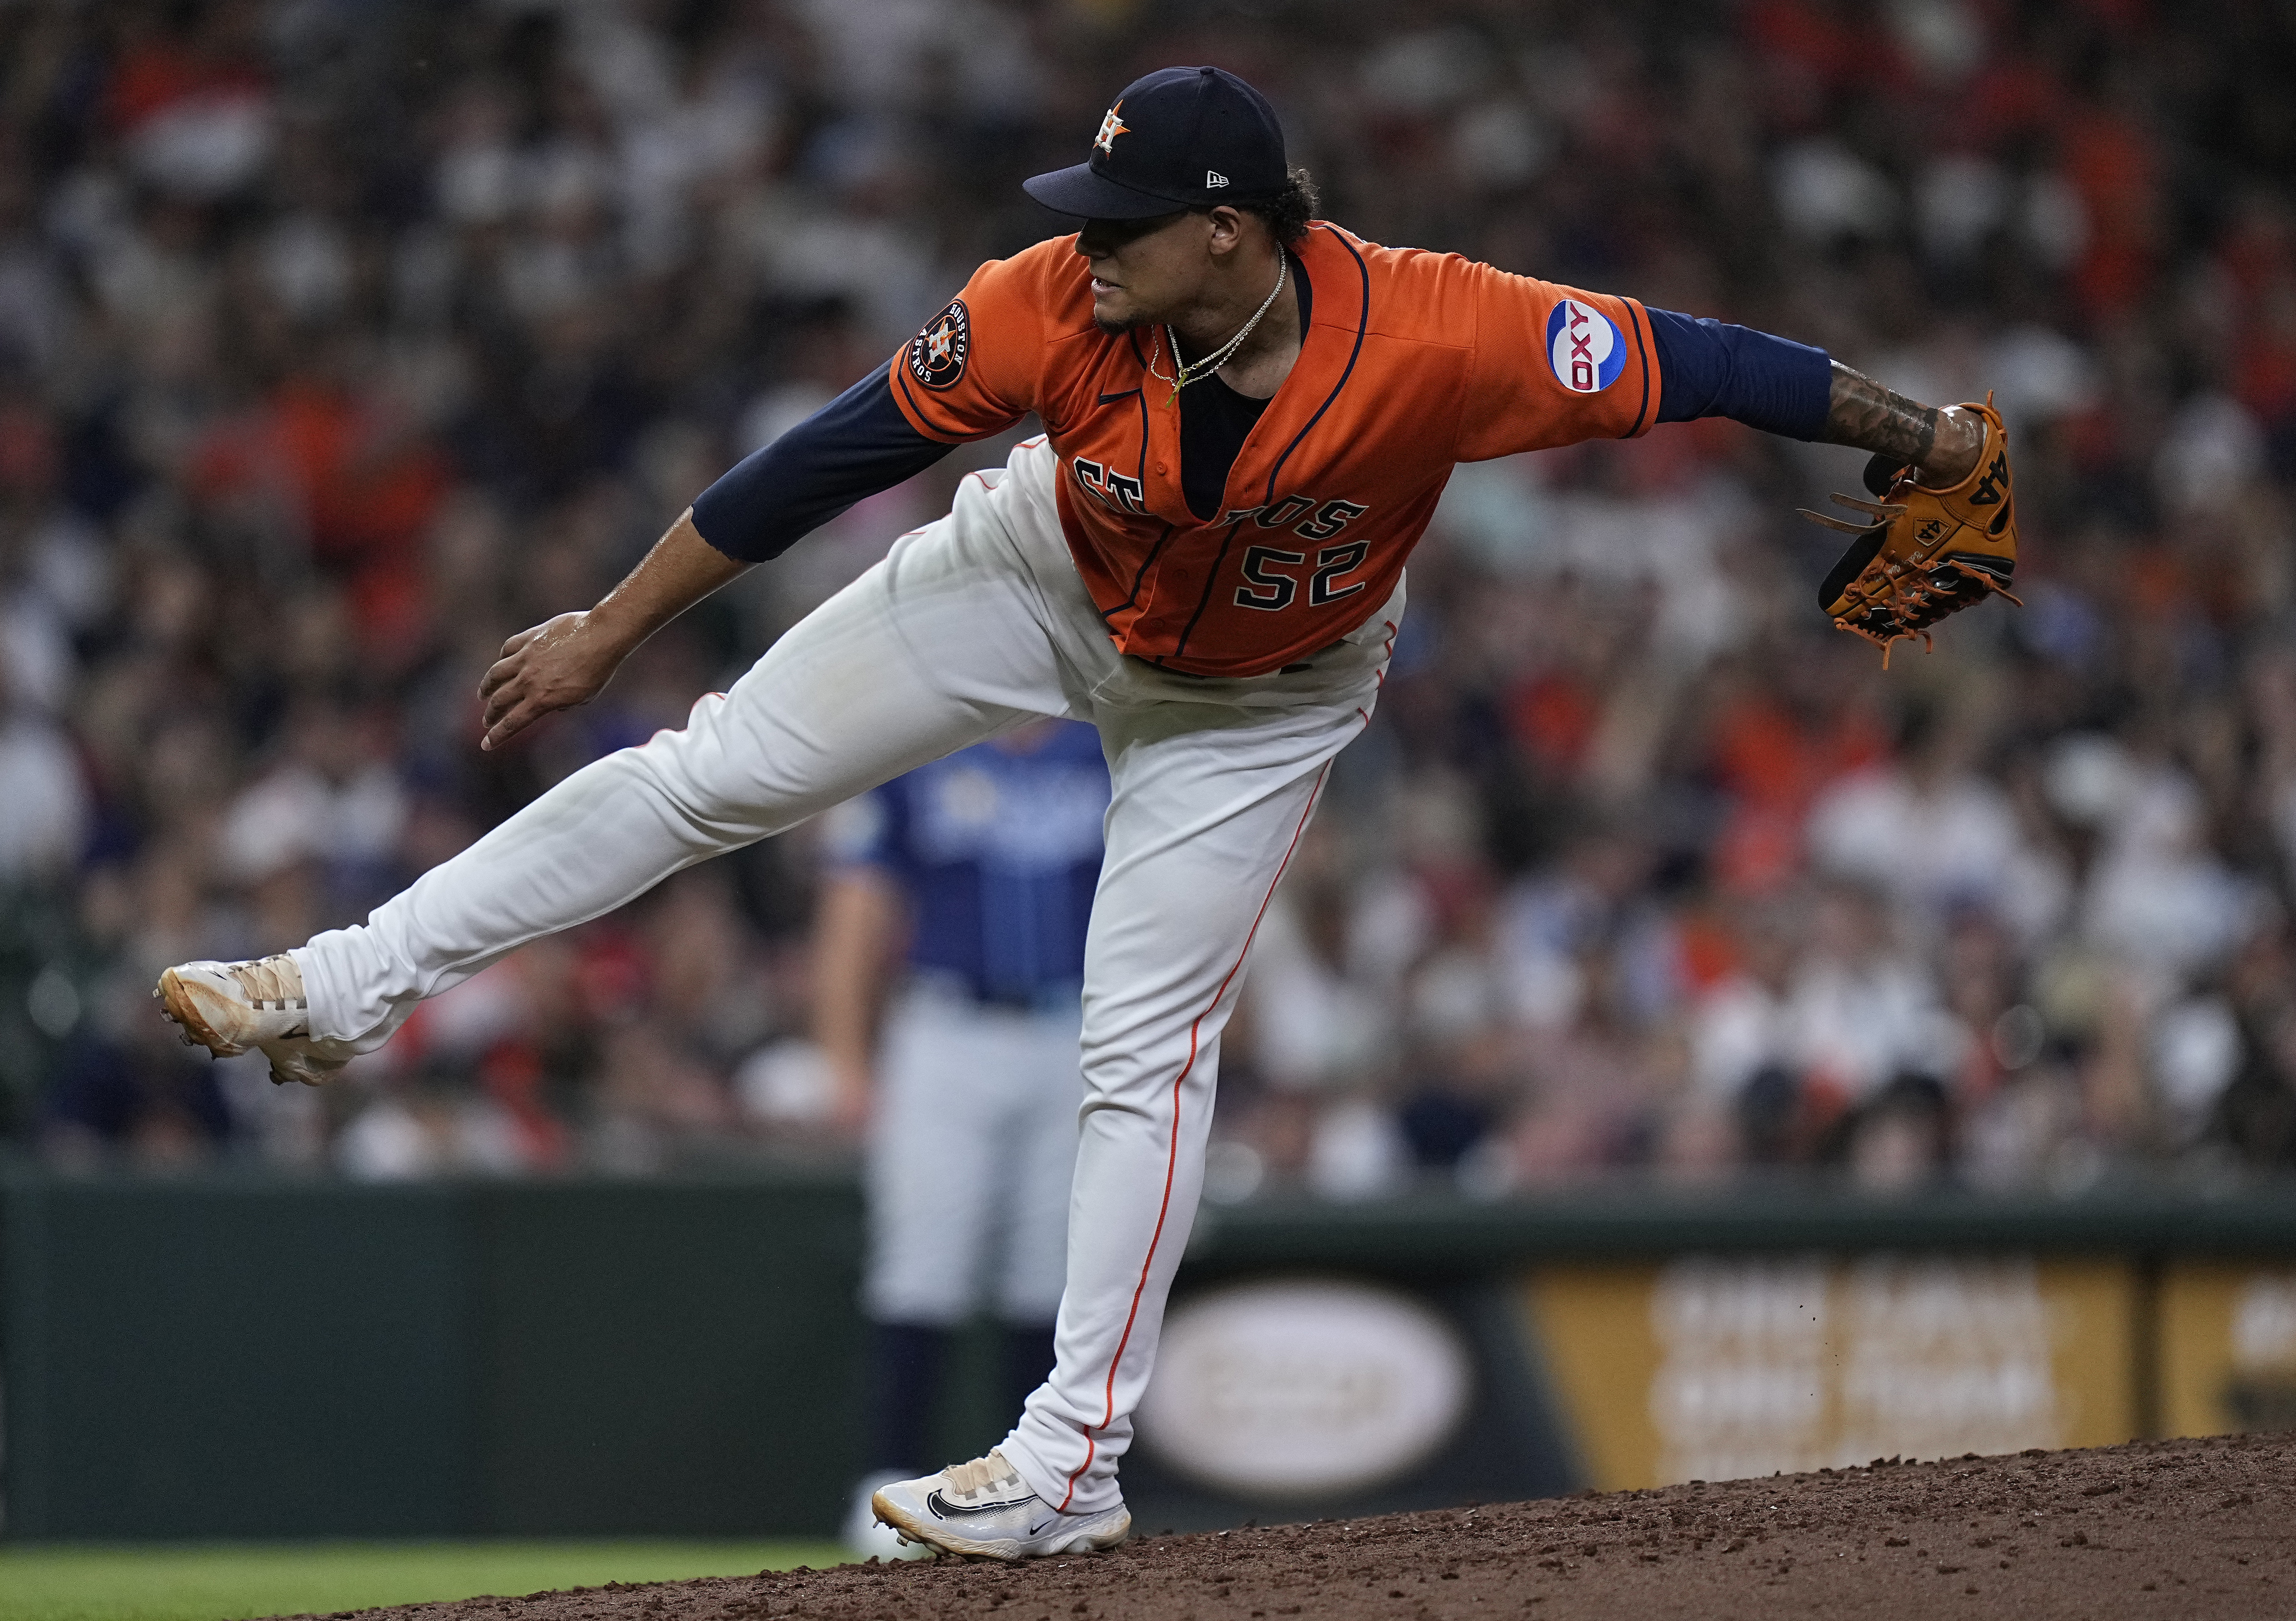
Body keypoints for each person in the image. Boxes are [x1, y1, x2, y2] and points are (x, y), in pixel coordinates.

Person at [156, 65, 2011, 1560]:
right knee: (709, 769)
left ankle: (1066, 1462)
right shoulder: (1045, 307)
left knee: (1138, 1043)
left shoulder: (1444, 334)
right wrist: (604, 629)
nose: (1085, 242)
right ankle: (344, 982)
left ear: (1232, 233)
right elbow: (830, 458)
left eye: (1125, 222)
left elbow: (1698, 360)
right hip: (1040, 574)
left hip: (1260, 701)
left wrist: (1918, 436)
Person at [811, 720, 1109, 1557]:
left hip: (1072, 1027)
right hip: (945, 1028)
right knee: (922, 1264)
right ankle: (884, 1489)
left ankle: (1044, 1490)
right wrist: (845, 1059)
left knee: (1049, 1273)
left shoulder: (1102, 749)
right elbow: (855, 909)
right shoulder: (919, 752)